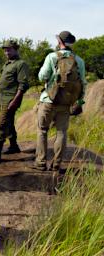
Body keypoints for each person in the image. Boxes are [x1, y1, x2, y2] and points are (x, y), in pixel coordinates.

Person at [34, 31, 87, 172]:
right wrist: (80, 102)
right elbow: (83, 83)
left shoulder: (52, 56)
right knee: (61, 132)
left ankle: (40, 162)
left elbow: (42, 76)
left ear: (60, 42)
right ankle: (56, 164)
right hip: (66, 102)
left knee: (42, 131)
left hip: (48, 100)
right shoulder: (79, 60)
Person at [0, 40, 30, 163]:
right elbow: (8, 80)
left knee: (1, 124)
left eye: (9, 49)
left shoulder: (21, 64)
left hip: (11, 99)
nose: (6, 52)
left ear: (16, 49)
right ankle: (13, 146)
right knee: (9, 123)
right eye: (5, 50)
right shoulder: (7, 64)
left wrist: (15, 101)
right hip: (2, 98)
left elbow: (23, 84)